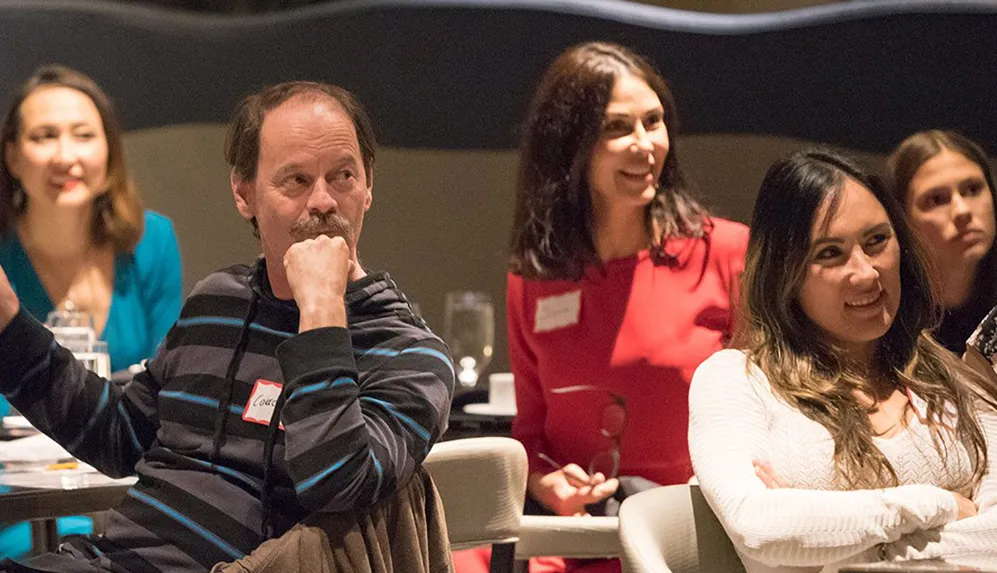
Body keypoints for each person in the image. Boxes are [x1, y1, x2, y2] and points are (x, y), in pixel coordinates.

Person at [0, 81, 454, 573]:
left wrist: (321, 310)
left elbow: (338, 486)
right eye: (296, 181)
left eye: (343, 175)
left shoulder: (411, 354)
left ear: (368, 187)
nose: (323, 202)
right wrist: (8, 325)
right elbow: (122, 437)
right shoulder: (221, 300)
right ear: (244, 193)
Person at [465, 41, 747, 573]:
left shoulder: (729, 254)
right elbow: (531, 436)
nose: (646, 145)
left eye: (654, 122)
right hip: (578, 541)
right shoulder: (534, 278)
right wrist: (547, 483)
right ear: (570, 148)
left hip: (690, 540)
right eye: (618, 129)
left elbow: (776, 415)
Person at [689, 149, 997, 572]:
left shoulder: (951, 379)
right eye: (830, 254)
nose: (867, 273)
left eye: (877, 241)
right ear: (785, 273)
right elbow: (760, 529)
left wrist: (829, 548)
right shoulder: (735, 380)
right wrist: (938, 504)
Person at [0, 64, 183, 559]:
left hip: (124, 490)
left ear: (110, 151)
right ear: (13, 156)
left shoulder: (153, 241)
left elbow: (170, 390)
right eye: (44, 136)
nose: (66, 155)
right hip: (12, 503)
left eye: (84, 135)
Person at [887, 130, 997, 354]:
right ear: (902, 220)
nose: (962, 211)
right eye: (936, 199)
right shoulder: (887, 322)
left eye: (973, 189)